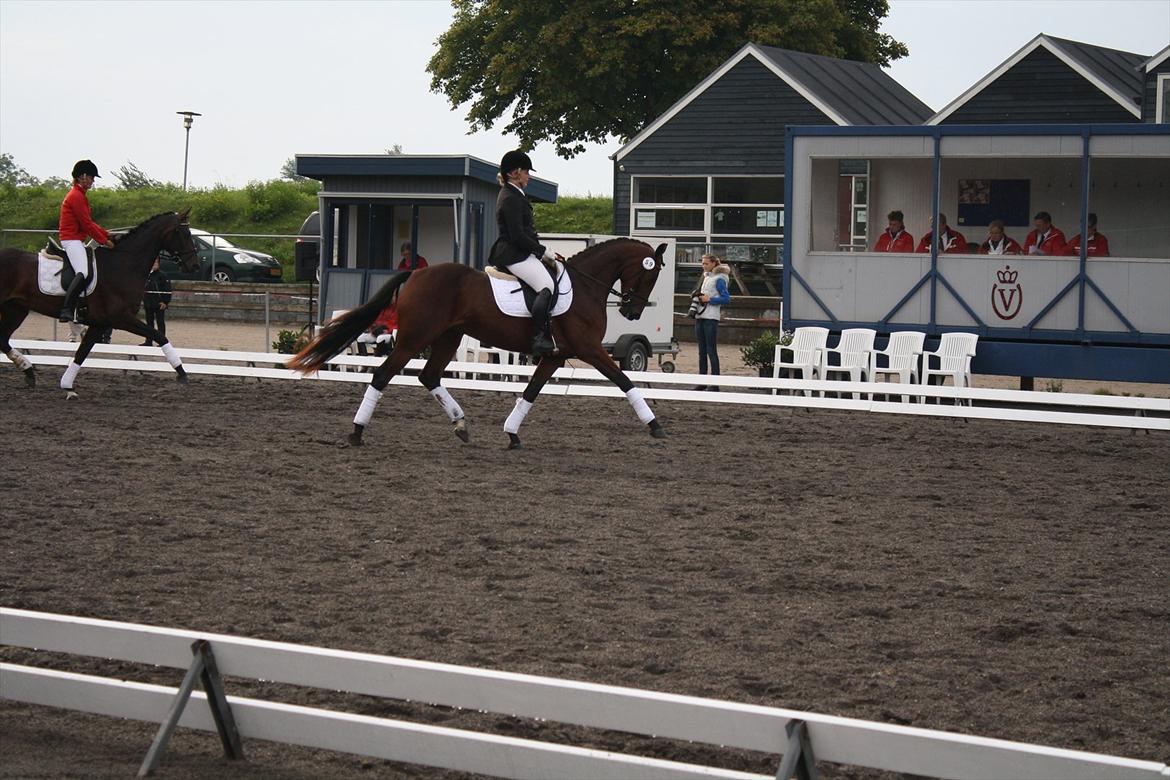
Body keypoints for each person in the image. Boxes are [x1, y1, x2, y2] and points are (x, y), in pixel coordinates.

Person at [487, 149, 557, 357]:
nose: (529, 175)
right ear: (513, 173)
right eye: (525, 171)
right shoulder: (510, 197)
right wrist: (541, 251)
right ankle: (538, 338)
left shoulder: (515, 194)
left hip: (520, 252)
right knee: (547, 285)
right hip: (513, 254)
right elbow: (517, 236)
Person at [58, 159, 116, 322]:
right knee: (83, 272)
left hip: (76, 238)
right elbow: (86, 224)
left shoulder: (80, 195)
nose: (93, 181)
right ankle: (67, 309)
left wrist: (106, 234)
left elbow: (89, 222)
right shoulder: (76, 196)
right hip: (71, 239)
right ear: (82, 176)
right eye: (91, 177)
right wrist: (104, 241)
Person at [692, 254, 731, 391]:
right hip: (701, 316)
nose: (704, 266)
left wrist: (710, 300)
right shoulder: (707, 276)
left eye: (706, 263)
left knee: (710, 350)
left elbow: (726, 299)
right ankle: (702, 381)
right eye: (703, 263)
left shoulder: (720, 279)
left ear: (714, 264)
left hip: (711, 317)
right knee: (702, 351)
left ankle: (715, 383)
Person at [139, 256, 173, 346]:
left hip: (159, 303)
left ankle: (162, 342)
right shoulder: (146, 274)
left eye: (156, 262)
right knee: (149, 323)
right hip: (148, 303)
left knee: (160, 323)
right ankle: (148, 341)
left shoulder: (162, 275)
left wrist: (165, 302)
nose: (154, 264)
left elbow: (167, 289)